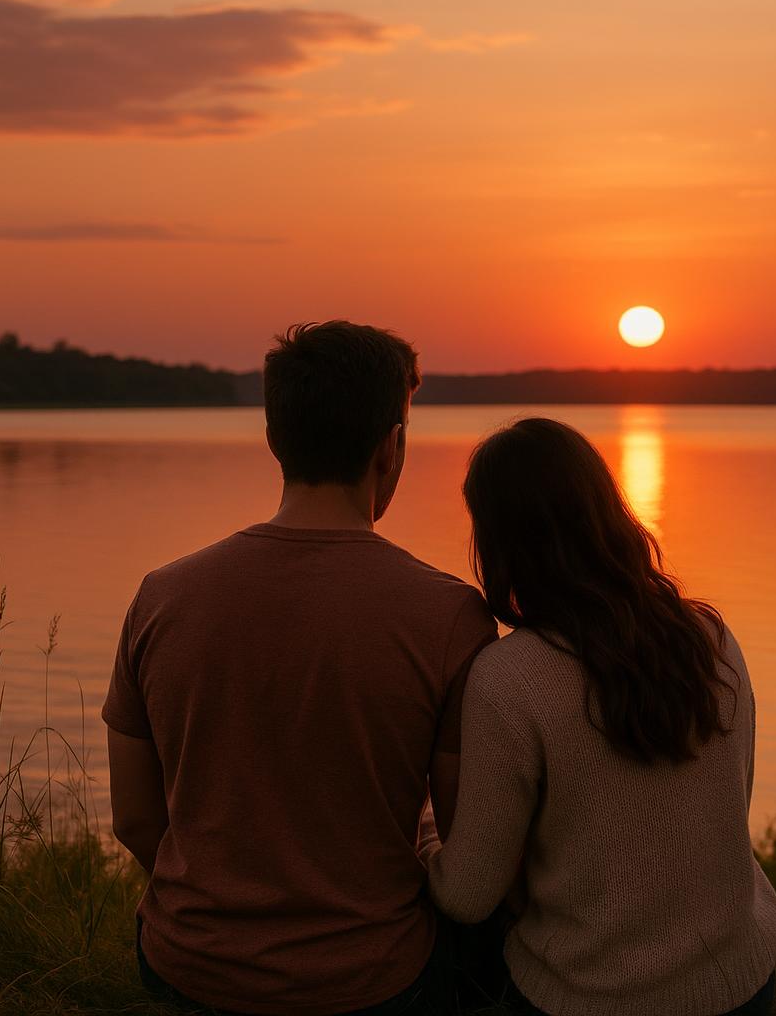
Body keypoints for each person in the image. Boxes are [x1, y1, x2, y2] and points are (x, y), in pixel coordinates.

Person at [103, 321, 496, 1015]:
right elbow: (464, 841)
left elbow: (136, 819)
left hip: (189, 966)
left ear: (275, 438)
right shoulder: (451, 616)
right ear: (391, 447)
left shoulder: (161, 596)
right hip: (374, 982)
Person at [427, 418, 776, 1016]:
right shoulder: (711, 635)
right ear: (605, 508)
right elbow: (729, 802)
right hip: (740, 987)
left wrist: (423, 847)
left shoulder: (511, 675)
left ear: (497, 539)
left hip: (589, 999)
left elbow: (468, 895)